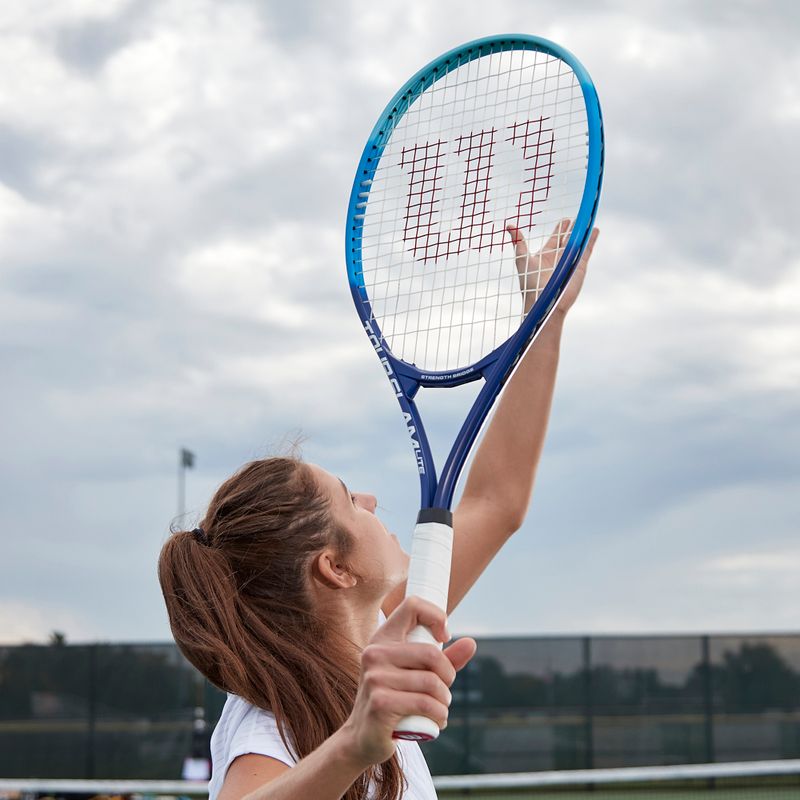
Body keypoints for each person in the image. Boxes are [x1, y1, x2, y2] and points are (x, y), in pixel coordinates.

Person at [159, 222, 599, 800]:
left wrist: (545, 319)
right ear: (335, 568)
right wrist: (356, 745)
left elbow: (498, 501)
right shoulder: (271, 715)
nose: (369, 499)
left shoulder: (383, 635)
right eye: (348, 498)